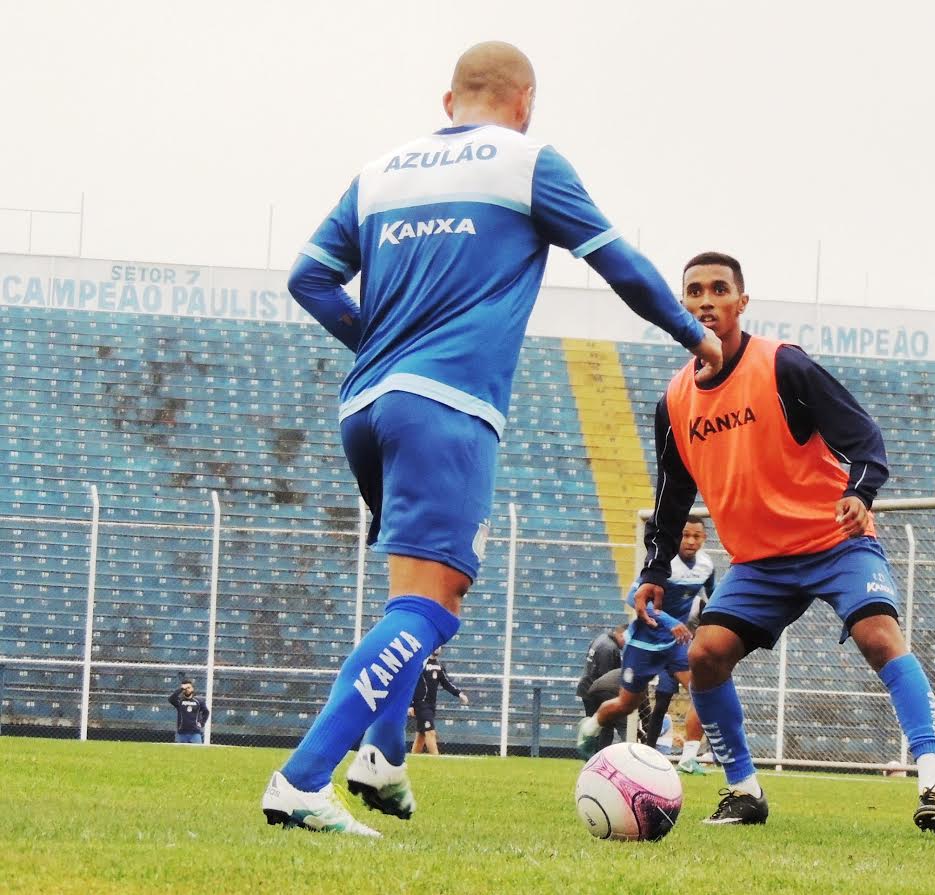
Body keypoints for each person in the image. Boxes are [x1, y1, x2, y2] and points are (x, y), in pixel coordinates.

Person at [261, 41, 722, 837]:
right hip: (445, 412)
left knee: (431, 596)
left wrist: (381, 347)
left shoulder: (380, 172)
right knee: (427, 615)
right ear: (525, 102)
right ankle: (301, 779)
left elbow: (308, 277)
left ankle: (381, 758)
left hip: (367, 407)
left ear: (449, 101)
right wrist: (694, 335)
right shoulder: (527, 161)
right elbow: (621, 266)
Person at [614, 251, 935, 832]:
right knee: (705, 654)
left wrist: (861, 492)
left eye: (718, 290)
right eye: (694, 292)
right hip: (760, 563)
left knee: (879, 637)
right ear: (681, 308)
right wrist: (654, 569)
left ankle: (932, 779)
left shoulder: (782, 366)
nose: (706, 300)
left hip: (833, 541)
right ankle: (743, 790)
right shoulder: (673, 402)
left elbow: (862, 434)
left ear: (740, 303)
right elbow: (672, 495)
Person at [576, 516, 714, 773]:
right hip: (643, 645)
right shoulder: (661, 565)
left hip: (674, 645)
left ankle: (688, 757)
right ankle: (590, 727)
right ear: (676, 536)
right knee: (626, 704)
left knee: (703, 692)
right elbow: (633, 598)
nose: (691, 541)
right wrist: (670, 620)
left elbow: (712, 597)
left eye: (697, 536)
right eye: (685, 535)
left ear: (704, 539)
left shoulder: (706, 566)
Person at [409, 649, 469, 755]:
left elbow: (446, 683)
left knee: (421, 735)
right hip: (421, 704)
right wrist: (410, 705)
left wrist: (459, 694)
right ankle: (436, 759)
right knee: (430, 732)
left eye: (440, 646)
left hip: (431, 705)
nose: (438, 648)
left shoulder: (439, 666)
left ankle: (413, 758)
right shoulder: (421, 664)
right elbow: (411, 684)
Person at [582, 667, 652, 751]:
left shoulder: (629, 670)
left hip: (592, 691)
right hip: (610, 690)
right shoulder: (642, 677)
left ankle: (599, 756)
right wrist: (650, 732)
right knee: (625, 726)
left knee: (606, 728)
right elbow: (644, 707)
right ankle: (631, 755)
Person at [576, 625, 626, 716]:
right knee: (603, 726)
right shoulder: (609, 648)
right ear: (622, 635)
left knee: (594, 723)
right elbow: (605, 677)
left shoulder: (602, 638)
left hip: (587, 687)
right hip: (595, 691)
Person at [168, 679, 209, 745]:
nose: (187, 689)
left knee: (198, 753)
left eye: (189, 687)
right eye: (185, 688)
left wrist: (202, 723)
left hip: (195, 733)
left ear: (192, 689)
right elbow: (171, 699)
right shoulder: (179, 701)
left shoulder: (199, 701)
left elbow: (206, 712)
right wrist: (181, 689)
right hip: (181, 733)